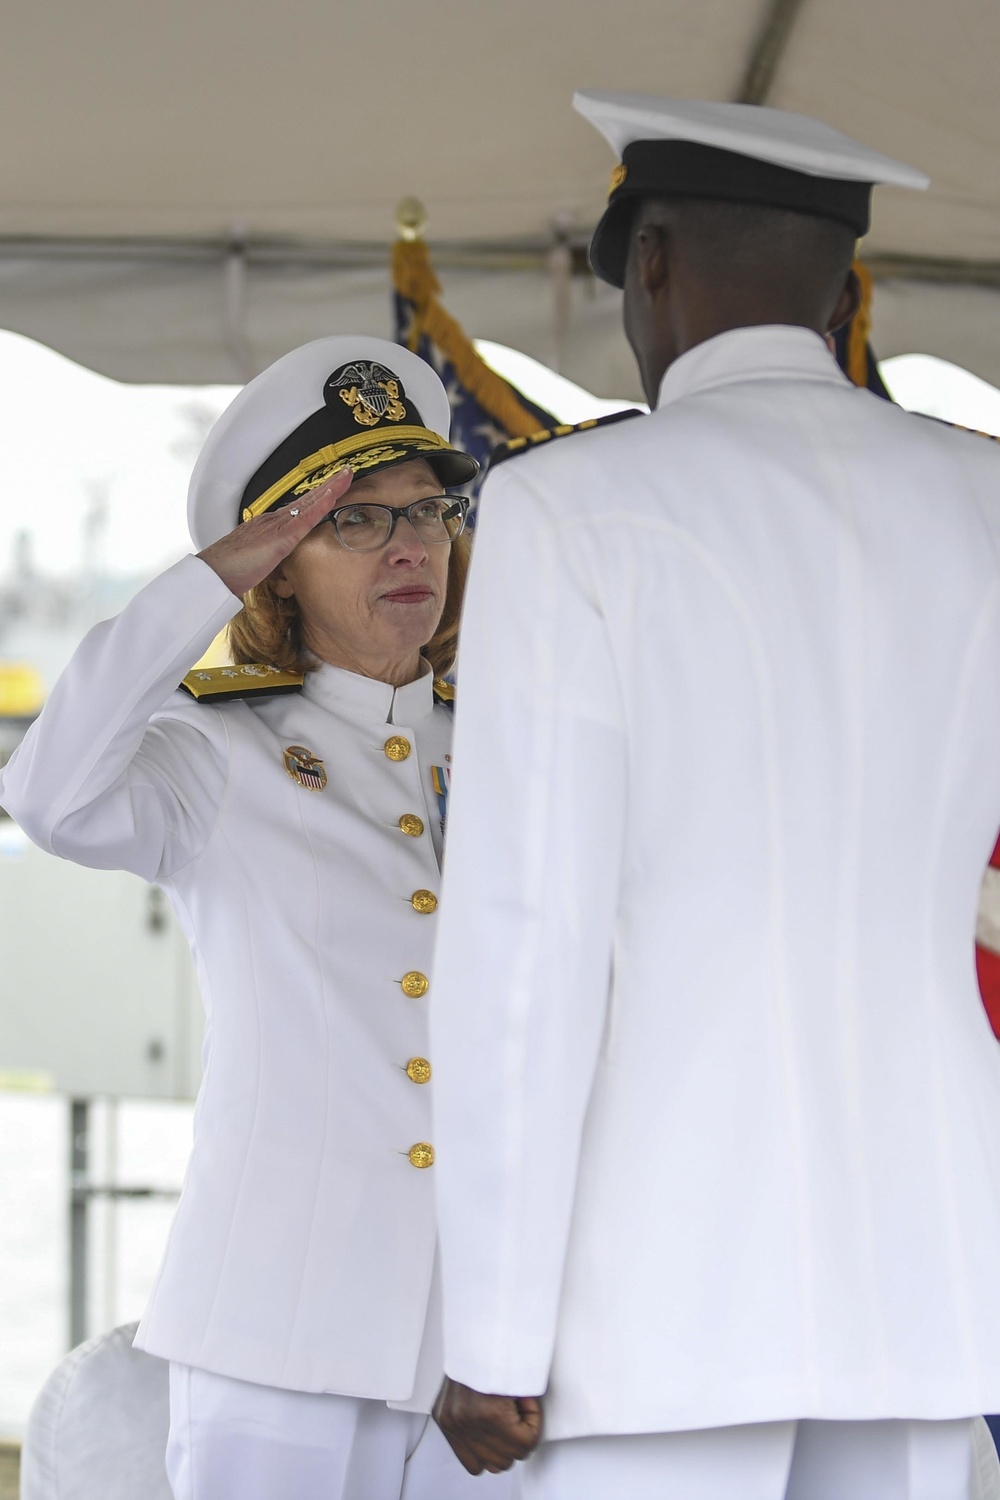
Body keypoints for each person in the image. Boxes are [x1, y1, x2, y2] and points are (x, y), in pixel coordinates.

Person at [428, 94, 1000, 1499]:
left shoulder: (574, 509)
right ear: (843, 286)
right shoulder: (982, 496)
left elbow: (525, 946)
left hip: (663, 1296)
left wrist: (496, 1328)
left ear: (655, 265)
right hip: (928, 1273)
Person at [0, 335, 519, 1500]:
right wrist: (206, 579)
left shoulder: (513, 738)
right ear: (275, 561)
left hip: (477, 1342)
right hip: (276, 1327)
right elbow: (46, 795)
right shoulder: (216, 753)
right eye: (354, 520)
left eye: (428, 512)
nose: (409, 546)